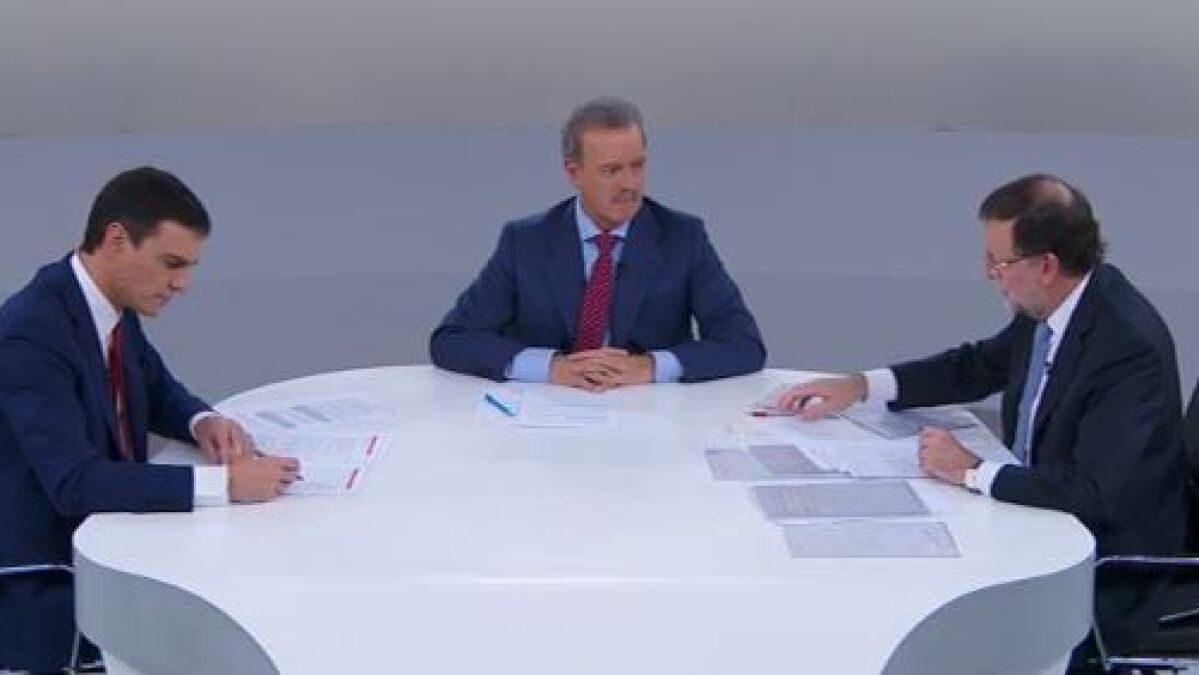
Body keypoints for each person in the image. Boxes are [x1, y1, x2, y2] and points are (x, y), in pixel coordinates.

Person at [777, 174, 1187, 655]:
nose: (988, 273)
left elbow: (1093, 492)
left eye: (999, 261)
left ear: (1047, 265)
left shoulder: (1126, 346)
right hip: (1038, 522)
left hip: (1106, 571)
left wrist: (972, 470)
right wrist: (861, 386)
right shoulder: (1055, 308)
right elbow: (977, 366)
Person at [0, 167, 300, 672]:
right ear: (117, 239)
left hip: (101, 556)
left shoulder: (111, 307)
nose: (182, 284)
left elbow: (156, 389)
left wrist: (201, 421)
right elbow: (75, 483)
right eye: (171, 264)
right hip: (41, 591)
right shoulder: (28, 334)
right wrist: (225, 485)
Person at [429, 97, 765, 391]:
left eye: (637, 166)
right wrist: (550, 367)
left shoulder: (683, 237)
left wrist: (650, 366)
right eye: (611, 170)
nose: (629, 184)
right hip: (547, 417)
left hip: (649, 416)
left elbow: (745, 344)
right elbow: (452, 340)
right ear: (573, 172)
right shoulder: (525, 241)